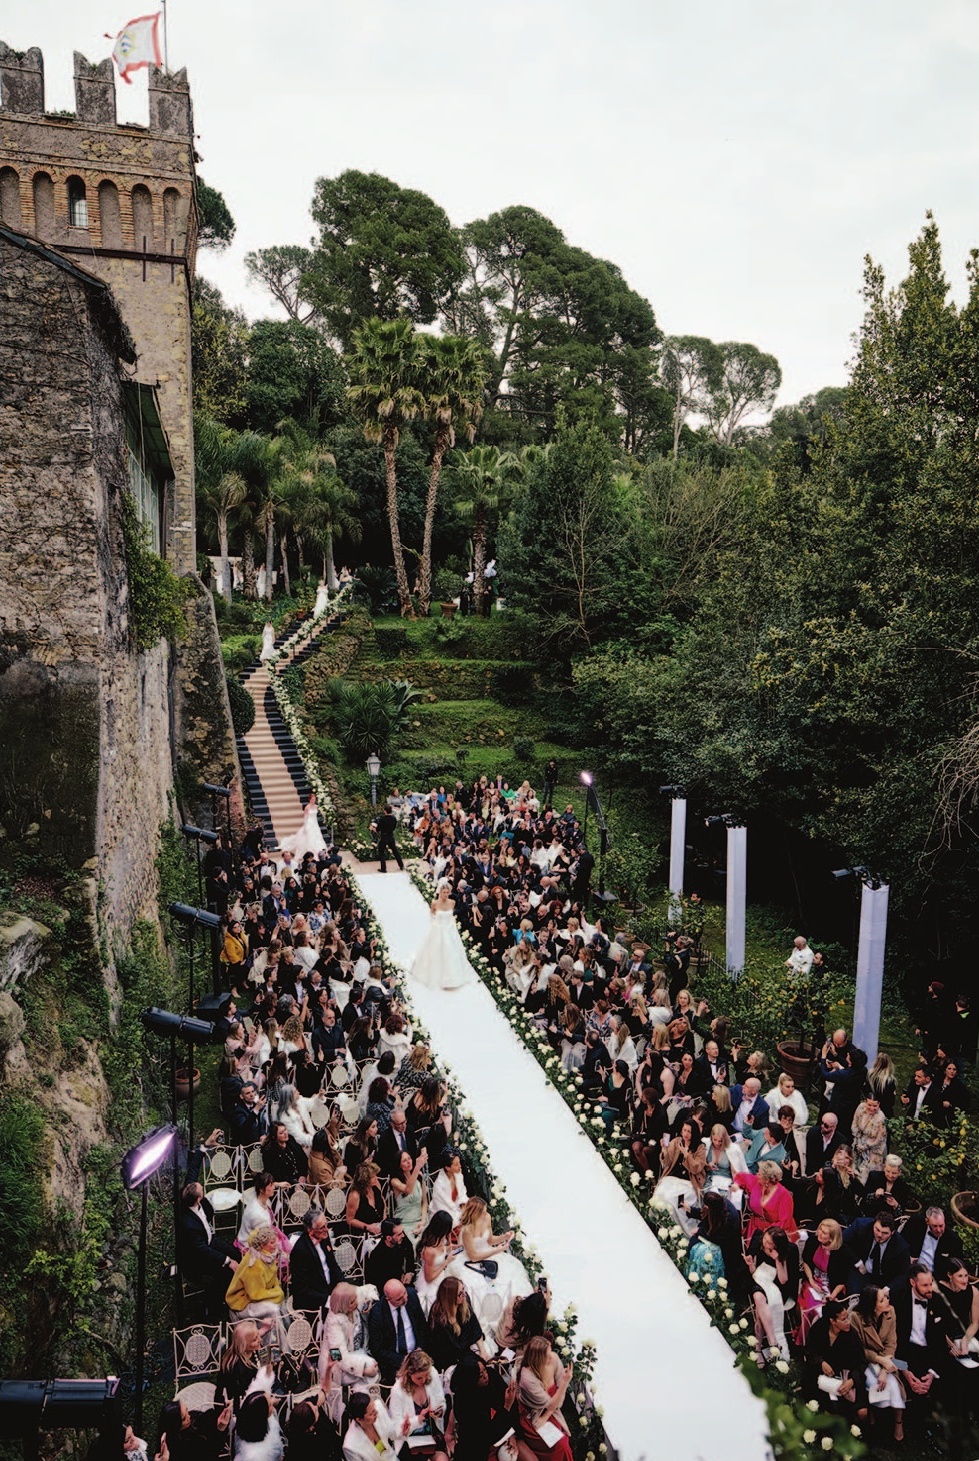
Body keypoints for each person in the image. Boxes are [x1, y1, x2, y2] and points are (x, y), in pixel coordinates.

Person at [447, 1196, 532, 1326]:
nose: (485, 1214)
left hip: (489, 1253)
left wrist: (504, 1236)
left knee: (510, 1279)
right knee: (478, 1288)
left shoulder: (487, 1217)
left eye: (486, 1211)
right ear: (474, 1213)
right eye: (482, 1212)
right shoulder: (467, 1230)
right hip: (472, 1261)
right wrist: (497, 1250)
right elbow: (473, 1257)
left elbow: (491, 1240)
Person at [177, 1177, 239, 1320]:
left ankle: (233, 1290)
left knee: (236, 1255)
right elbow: (203, 1250)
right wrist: (227, 1261)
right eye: (202, 1191)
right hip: (198, 1258)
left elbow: (192, 1174)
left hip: (210, 1240)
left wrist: (197, 1156)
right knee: (225, 1273)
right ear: (198, 1199)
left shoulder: (189, 1194)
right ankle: (212, 1307)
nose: (204, 1191)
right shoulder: (189, 1225)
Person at [850, 1285, 905, 1443]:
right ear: (872, 1306)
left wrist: (884, 1369)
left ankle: (898, 1424)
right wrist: (879, 1360)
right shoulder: (856, 1318)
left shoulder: (891, 1312)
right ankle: (873, 1419)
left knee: (893, 1384)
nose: (887, 1300)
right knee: (874, 1383)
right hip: (866, 1361)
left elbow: (891, 1344)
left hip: (888, 1358)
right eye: (882, 1300)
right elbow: (859, 1349)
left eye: (886, 1297)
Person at [803, 1299, 869, 1420]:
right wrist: (821, 1362)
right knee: (829, 1409)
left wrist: (852, 1381)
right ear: (832, 1321)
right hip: (823, 1378)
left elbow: (861, 1362)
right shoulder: (818, 1330)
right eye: (843, 1319)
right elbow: (809, 1352)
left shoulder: (852, 1335)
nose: (848, 1322)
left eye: (848, 1317)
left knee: (862, 1412)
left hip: (849, 1376)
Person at [318, 1283, 379, 1404]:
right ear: (343, 1304)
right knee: (368, 1373)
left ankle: (369, 1404)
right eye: (352, 1302)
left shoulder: (352, 1298)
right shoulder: (333, 1323)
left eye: (355, 1299)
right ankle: (364, 1405)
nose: (356, 1303)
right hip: (334, 1367)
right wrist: (363, 1370)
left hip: (353, 1354)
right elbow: (337, 1356)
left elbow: (370, 1289)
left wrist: (369, 1300)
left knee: (371, 1369)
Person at [516, 1335, 574, 1461]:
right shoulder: (527, 1378)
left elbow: (558, 1401)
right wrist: (565, 1383)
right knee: (561, 1446)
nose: (551, 1357)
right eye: (547, 1355)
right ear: (538, 1358)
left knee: (563, 1445)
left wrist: (546, 1415)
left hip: (549, 1413)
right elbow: (552, 1403)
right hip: (534, 1416)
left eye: (550, 1351)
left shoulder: (553, 1358)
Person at [747, 1224, 799, 1363]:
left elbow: (783, 1280)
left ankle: (758, 1348)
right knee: (758, 1296)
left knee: (760, 1313)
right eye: (765, 1239)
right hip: (761, 1282)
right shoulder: (759, 1243)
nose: (765, 1243)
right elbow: (755, 1273)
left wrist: (777, 1260)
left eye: (769, 1242)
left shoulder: (788, 1251)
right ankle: (773, 1342)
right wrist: (751, 1264)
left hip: (778, 1286)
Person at [411, 880, 475, 991]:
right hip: (438, 929)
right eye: (444, 892)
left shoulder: (452, 902)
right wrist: (436, 926)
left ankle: (451, 978)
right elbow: (432, 915)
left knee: (451, 951)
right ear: (440, 892)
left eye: (447, 892)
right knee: (435, 951)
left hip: (450, 930)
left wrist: (450, 927)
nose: (445, 894)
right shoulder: (435, 903)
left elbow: (451, 916)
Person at [366, 1279, 432, 1386]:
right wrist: (403, 1360)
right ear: (388, 1299)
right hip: (395, 1362)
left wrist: (420, 1349)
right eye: (399, 1299)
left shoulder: (411, 1296)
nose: (405, 1299)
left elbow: (422, 1327)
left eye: (404, 1293)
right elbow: (377, 1349)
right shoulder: (378, 1313)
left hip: (418, 1355)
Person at [387, 1349, 448, 1460]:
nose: (423, 1380)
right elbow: (395, 1428)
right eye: (419, 1378)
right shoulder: (398, 1390)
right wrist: (417, 1420)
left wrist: (439, 1411)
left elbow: (441, 1402)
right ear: (409, 1373)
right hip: (410, 1440)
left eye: (426, 1375)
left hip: (433, 1436)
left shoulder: (432, 1373)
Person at [225, 1227, 286, 1337]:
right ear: (262, 1245)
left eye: (275, 1241)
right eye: (272, 1242)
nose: (276, 1244)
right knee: (273, 1310)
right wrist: (278, 1294)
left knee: (282, 1305)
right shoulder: (254, 1265)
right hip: (242, 1304)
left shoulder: (268, 1256)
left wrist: (277, 1294)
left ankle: (289, 1337)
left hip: (258, 1297)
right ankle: (278, 1345)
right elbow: (255, 1294)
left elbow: (274, 1283)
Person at [844, 1209, 911, 1296]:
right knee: (854, 1295)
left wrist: (888, 1288)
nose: (879, 1235)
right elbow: (842, 1241)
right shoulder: (861, 1225)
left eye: (885, 1233)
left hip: (885, 1279)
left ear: (892, 1232)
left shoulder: (901, 1246)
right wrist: (857, 1262)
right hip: (860, 1271)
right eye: (877, 1229)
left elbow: (904, 1273)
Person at [290, 1207, 343, 1315]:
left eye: (326, 1225)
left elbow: (333, 1265)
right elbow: (302, 1289)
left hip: (330, 1290)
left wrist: (343, 1284)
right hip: (313, 1302)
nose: (326, 1230)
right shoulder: (300, 1250)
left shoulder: (324, 1236)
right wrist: (328, 1300)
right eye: (322, 1227)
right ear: (310, 1230)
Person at [426, 1276, 487, 1370]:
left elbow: (475, 1327)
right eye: (460, 1294)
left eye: (463, 1289)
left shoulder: (464, 1300)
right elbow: (452, 1349)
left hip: (463, 1349)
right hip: (448, 1357)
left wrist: (483, 1352)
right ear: (451, 1297)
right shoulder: (439, 1317)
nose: (464, 1294)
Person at [734, 1160, 798, 1244]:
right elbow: (742, 1177)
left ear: (767, 1180)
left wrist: (768, 1233)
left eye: (759, 1174)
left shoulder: (784, 1195)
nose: (757, 1174)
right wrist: (736, 1184)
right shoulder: (757, 1182)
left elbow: (784, 1222)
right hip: (755, 1228)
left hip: (776, 1232)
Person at [158, 1397, 233, 1461]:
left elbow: (205, 1417)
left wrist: (222, 1409)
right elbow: (212, 1453)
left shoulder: (190, 1420)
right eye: (184, 1418)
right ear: (176, 1427)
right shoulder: (187, 1448)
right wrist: (220, 1429)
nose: (189, 1416)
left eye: (187, 1410)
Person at [903, 1205, 963, 1279]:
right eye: (934, 1226)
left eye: (941, 1226)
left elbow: (957, 1267)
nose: (938, 1230)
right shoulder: (915, 1223)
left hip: (934, 1277)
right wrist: (907, 1258)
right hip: (910, 1270)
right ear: (927, 1221)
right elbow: (901, 1242)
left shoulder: (953, 1240)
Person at [339, 1393, 399, 1461]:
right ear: (359, 1419)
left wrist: (402, 1430)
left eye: (374, 1408)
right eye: (371, 1413)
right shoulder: (350, 1446)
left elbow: (392, 1433)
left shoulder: (378, 1407)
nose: (376, 1413)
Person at [233, 1381, 283, 1461]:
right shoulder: (256, 1455)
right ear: (262, 1414)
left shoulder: (245, 1421)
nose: (272, 1405)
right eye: (270, 1405)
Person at [365, 1218, 417, 1291]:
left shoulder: (402, 1240)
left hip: (401, 1281)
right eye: (399, 1234)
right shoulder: (377, 1255)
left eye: (402, 1232)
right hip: (387, 1289)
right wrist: (397, 1282)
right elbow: (376, 1282)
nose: (403, 1235)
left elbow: (409, 1252)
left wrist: (410, 1272)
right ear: (389, 1238)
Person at [279, 794, 328, 863]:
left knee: (317, 837)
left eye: (314, 799)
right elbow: (305, 818)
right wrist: (305, 827)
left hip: (315, 824)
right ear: (309, 799)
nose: (313, 800)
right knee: (309, 838)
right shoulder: (307, 807)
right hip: (309, 823)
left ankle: (319, 852)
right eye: (312, 799)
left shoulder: (316, 806)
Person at [850, 1095, 888, 1183]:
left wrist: (865, 1146)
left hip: (874, 1148)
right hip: (859, 1140)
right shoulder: (861, 1108)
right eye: (869, 1105)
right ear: (865, 1102)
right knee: (853, 1167)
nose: (871, 1108)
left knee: (866, 1174)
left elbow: (879, 1139)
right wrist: (857, 1140)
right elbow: (854, 1123)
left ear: (879, 1105)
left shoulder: (881, 1118)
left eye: (875, 1106)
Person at [430, 1150, 469, 1228]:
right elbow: (443, 1208)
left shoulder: (459, 1175)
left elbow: (462, 1195)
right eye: (456, 1164)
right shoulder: (439, 1184)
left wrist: (464, 1209)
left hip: (458, 1211)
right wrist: (461, 1216)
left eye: (459, 1163)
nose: (460, 1166)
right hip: (444, 1216)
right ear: (447, 1167)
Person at [375, 805, 404, 873]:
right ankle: (401, 865)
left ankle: (383, 868)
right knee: (395, 851)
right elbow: (394, 827)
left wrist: (374, 829)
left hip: (384, 836)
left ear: (385, 811)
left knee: (381, 852)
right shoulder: (394, 818)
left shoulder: (382, 819)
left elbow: (378, 829)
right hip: (390, 836)